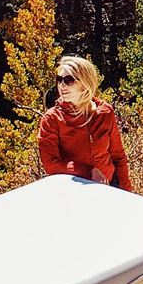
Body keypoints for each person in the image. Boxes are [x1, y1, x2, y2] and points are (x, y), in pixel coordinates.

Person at [36, 55, 132, 190]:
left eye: (68, 80)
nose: (61, 85)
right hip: (74, 190)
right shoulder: (52, 119)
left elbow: (118, 156)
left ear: (85, 83)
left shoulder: (105, 112)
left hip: (110, 186)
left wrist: (126, 192)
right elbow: (51, 164)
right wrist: (88, 171)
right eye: (59, 80)